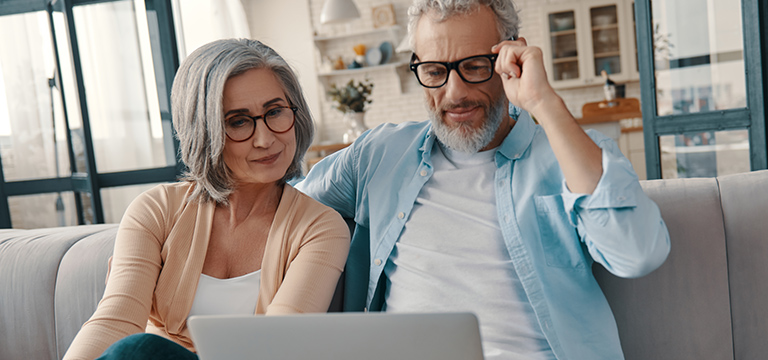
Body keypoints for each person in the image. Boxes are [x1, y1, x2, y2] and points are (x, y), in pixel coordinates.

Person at [295, 0, 670, 359]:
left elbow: (636, 253)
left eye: (474, 66)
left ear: (513, 57)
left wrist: (542, 101)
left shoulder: (568, 155)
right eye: (434, 71)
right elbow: (284, 209)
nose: (455, 93)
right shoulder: (378, 155)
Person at [64, 39, 350, 360]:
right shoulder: (156, 209)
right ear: (205, 131)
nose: (266, 139)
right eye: (238, 121)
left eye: (275, 112)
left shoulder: (321, 228)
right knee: (138, 348)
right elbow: (115, 319)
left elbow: (278, 346)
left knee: (141, 348)